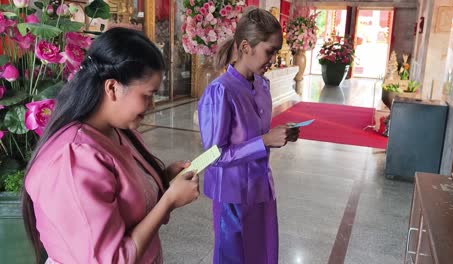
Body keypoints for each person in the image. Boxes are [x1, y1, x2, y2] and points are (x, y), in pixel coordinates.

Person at [22, 27, 200, 264]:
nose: (152, 106)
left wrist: (163, 181)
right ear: (112, 88)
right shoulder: (74, 161)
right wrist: (168, 201)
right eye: (147, 95)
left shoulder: (120, 132)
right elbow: (110, 259)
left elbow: (128, 203)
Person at [198, 8, 300, 264]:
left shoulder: (262, 85)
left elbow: (254, 135)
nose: (274, 59)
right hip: (232, 194)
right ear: (246, 46)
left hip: (261, 187)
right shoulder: (220, 91)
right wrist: (264, 141)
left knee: (261, 254)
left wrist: (280, 135)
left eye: (277, 51)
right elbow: (213, 155)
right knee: (233, 257)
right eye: (270, 51)